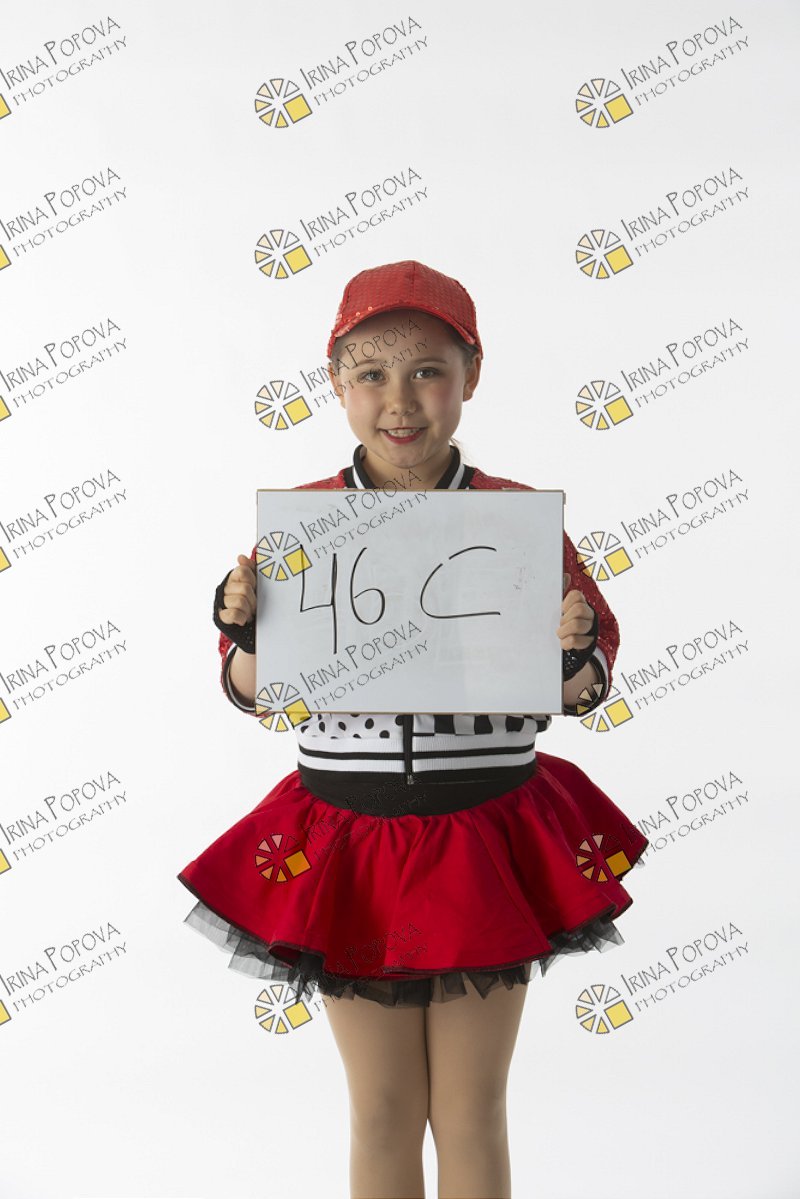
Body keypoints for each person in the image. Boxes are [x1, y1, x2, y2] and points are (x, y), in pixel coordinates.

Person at [177, 259, 649, 1199]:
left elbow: (584, 687)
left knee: (471, 1109)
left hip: (484, 833)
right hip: (349, 837)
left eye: (428, 370)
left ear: (471, 375)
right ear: (336, 383)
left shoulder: (517, 519)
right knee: (383, 1109)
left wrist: (572, 646)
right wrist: (245, 628)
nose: (400, 400)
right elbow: (253, 691)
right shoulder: (303, 525)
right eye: (372, 373)